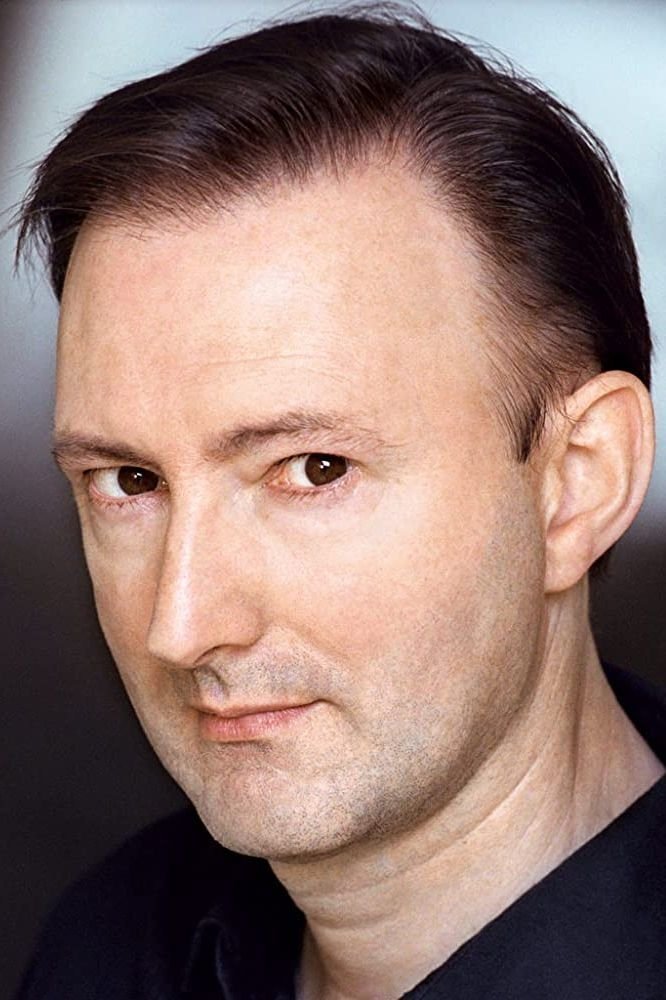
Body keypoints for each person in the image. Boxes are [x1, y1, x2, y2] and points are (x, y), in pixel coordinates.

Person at [12, 6, 666, 999]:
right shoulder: (107, 948)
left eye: (314, 469)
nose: (180, 626)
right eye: (131, 481)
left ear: (579, 479)